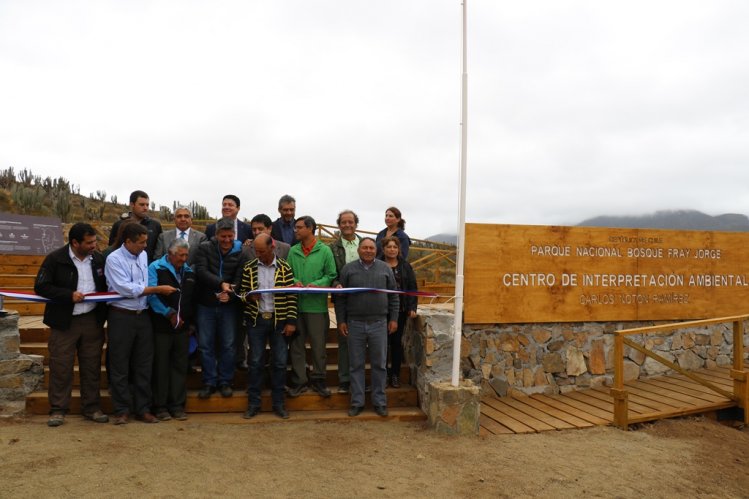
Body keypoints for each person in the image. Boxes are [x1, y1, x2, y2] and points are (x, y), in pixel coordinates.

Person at [34, 223, 109, 427]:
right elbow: (41, 286)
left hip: (92, 321)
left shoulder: (99, 259)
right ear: (75, 243)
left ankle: (92, 408)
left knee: (92, 367)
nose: (94, 245)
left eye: (95, 241)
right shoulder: (55, 259)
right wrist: (68, 295)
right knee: (61, 367)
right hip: (63, 323)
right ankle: (58, 409)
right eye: (89, 242)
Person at [105, 223, 177, 425]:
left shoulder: (143, 256)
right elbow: (124, 288)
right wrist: (156, 290)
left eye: (146, 241)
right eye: (141, 242)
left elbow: (142, 283)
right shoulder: (114, 259)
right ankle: (121, 410)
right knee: (120, 364)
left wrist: (151, 290)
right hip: (121, 316)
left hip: (142, 315)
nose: (145, 246)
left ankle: (143, 409)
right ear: (128, 241)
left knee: (144, 364)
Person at [335, 237, 399, 417]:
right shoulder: (348, 269)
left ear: (376, 250)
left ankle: (379, 402)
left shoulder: (385, 268)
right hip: (355, 324)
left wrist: (393, 318)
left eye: (371, 248)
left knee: (379, 364)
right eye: (365, 248)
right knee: (356, 365)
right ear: (359, 250)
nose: (368, 250)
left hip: (379, 323)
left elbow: (394, 296)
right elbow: (341, 298)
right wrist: (341, 320)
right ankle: (357, 402)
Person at [237, 234, 297, 420]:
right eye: (256, 250)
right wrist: (248, 297)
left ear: (272, 248)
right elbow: (241, 293)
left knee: (279, 362)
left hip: (279, 321)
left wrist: (291, 322)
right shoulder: (249, 267)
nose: (258, 254)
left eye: (262, 251)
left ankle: (278, 404)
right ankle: (254, 404)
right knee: (255, 362)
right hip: (256, 321)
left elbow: (291, 295)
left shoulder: (285, 268)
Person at [193, 217, 247, 399]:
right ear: (216, 235)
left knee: (229, 345)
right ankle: (209, 381)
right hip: (206, 303)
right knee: (206, 345)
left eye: (230, 236)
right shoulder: (204, 248)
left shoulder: (241, 252)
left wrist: (230, 292)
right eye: (223, 236)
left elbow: (240, 278)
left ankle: (225, 381)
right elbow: (201, 271)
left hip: (229, 305)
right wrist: (220, 284)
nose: (226, 240)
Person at [286, 215, 337, 397]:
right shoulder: (292, 251)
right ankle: (300, 380)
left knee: (318, 346)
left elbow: (331, 274)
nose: (296, 230)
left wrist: (319, 283)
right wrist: (295, 281)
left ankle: (319, 380)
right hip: (296, 307)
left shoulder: (325, 251)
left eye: (299, 227)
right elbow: (287, 272)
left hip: (317, 307)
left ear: (310, 228)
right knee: (297, 347)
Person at [148, 238, 197, 421]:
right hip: (161, 327)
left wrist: (191, 323)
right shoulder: (155, 268)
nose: (184, 259)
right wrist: (168, 313)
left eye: (186, 255)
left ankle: (177, 405)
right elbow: (151, 295)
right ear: (170, 254)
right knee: (161, 367)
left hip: (183, 329)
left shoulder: (189, 272)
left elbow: (191, 299)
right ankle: (160, 406)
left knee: (179, 367)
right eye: (180, 255)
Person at [328, 209, 362, 394]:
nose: (347, 225)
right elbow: (331, 272)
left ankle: (362, 380)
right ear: (339, 225)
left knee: (365, 340)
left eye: (351, 222)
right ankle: (344, 380)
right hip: (342, 299)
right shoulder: (332, 248)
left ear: (356, 224)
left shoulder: (366, 244)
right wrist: (336, 283)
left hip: (364, 300)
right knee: (344, 339)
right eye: (343, 222)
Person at [379, 236, 418, 388]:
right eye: (389, 247)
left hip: (400, 310)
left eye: (395, 247)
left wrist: (412, 307)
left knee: (396, 344)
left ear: (398, 249)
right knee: (381, 344)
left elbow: (412, 287)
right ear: (383, 249)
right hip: (380, 310)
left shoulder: (405, 266)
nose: (392, 250)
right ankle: (382, 375)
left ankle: (394, 374)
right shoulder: (377, 264)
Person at [109, 190, 163, 262]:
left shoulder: (155, 225)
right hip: (123, 267)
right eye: (142, 204)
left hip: (148, 269)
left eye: (147, 205)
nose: (145, 208)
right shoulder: (119, 225)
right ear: (132, 204)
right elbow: (112, 248)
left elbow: (159, 250)